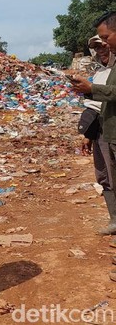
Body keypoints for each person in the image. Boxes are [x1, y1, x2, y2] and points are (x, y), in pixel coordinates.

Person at [78, 35, 116, 234]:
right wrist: (88, 134)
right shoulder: (100, 73)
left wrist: (92, 89)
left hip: (113, 130)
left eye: (103, 46)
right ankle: (114, 220)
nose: (101, 51)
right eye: (96, 48)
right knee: (103, 175)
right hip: (100, 129)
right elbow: (94, 106)